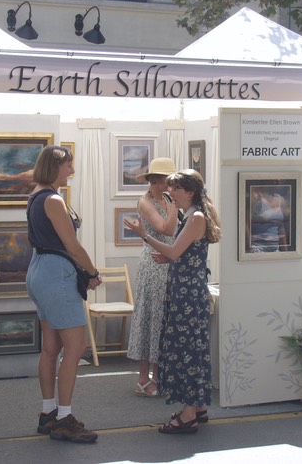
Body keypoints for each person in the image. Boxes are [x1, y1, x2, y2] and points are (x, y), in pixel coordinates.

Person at [124, 169, 221, 435]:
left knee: (187, 351)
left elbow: (175, 250)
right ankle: (197, 407)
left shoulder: (195, 217)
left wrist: (144, 235)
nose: (170, 192)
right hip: (185, 289)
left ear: (190, 191)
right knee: (191, 348)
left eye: (176, 188)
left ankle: (188, 415)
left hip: (187, 293)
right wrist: (169, 257)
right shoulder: (192, 215)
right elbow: (184, 252)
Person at [26, 145, 102, 443]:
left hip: (39, 270)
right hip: (56, 273)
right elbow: (72, 246)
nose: (72, 170)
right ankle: (64, 419)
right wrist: (92, 272)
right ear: (56, 166)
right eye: (68, 165)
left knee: (51, 347)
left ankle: (48, 412)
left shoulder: (35, 195)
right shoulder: (54, 200)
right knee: (75, 347)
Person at [127, 157, 179, 397]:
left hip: (169, 262)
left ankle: (158, 376)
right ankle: (142, 378)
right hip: (153, 264)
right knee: (150, 317)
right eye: (169, 180)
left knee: (163, 319)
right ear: (157, 180)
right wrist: (176, 205)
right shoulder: (145, 202)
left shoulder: (167, 199)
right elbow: (167, 229)